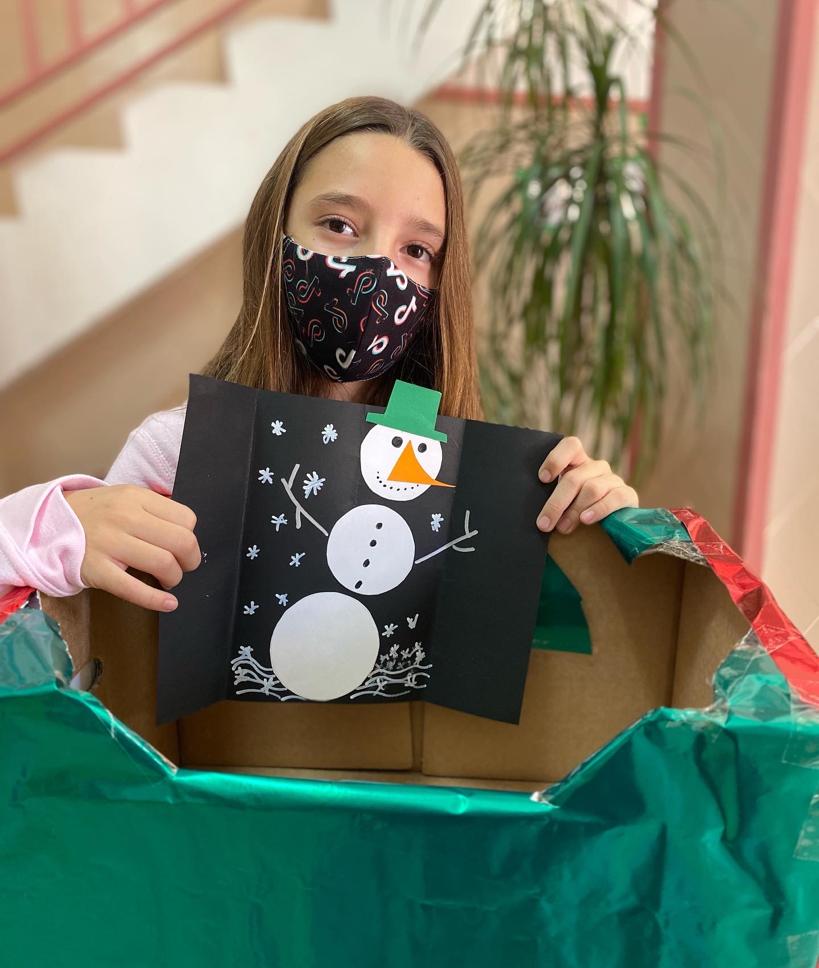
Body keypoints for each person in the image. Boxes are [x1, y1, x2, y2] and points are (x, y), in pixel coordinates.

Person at [0, 96, 639, 613]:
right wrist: (52, 527)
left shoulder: (467, 479)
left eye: (417, 250)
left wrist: (597, 528)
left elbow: (555, 648)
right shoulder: (176, 452)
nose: (377, 271)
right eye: (339, 225)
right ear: (275, 236)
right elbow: (82, 649)